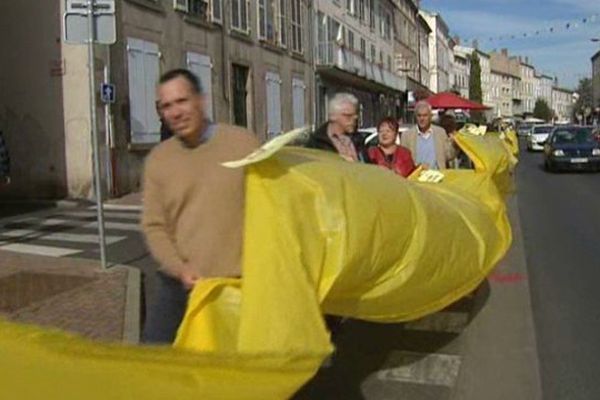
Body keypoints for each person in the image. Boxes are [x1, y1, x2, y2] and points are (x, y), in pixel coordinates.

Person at [141, 68, 259, 343]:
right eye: (166, 106)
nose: (175, 112)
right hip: (181, 286)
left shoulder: (242, 144)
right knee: (153, 358)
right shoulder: (159, 160)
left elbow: (271, 207)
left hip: (236, 287)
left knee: (235, 371)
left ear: (200, 100)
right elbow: (154, 225)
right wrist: (179, 268)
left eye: (182, 101)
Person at [305, 93, 369, 162]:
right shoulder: (317, 143)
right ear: (332, 116)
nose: (353, 120)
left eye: (355, 117)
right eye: (348, 116)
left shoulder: (358, 139)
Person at [401, 101, 457, 170]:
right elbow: (403, 161)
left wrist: (455, 145)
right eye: (419, 115)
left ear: (430, 116)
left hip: (437, 177)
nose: (422, 119)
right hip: (416, 178)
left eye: (425, 115)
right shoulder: (407, 136)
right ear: (415, 117)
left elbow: (448, 155)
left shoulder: (440, 133)